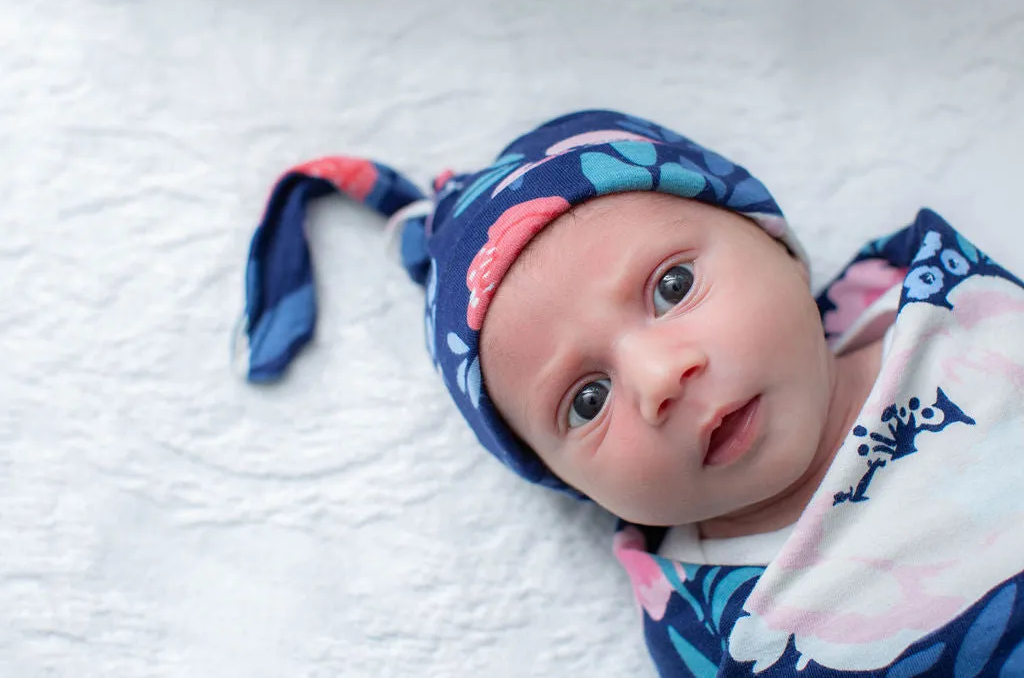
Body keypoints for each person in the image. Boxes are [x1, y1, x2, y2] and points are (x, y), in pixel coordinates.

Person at [235, 110, 1024, 676]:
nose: (658, 380)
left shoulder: (949, 307)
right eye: (585, 400)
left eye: (672, 286)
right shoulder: (721, 625)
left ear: (778, 246)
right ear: (567, 483)